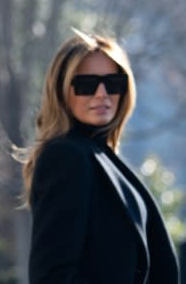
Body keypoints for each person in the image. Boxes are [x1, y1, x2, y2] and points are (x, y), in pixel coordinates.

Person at [16, 29, 179, 283]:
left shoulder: (101, 155)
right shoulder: (66, 156)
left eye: (113, 83)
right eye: (87, 85)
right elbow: (53, 275)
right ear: (61, 90)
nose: (102, 93)